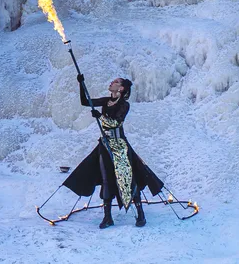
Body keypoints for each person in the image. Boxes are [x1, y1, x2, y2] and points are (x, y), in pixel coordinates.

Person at [62, 76, 164, 228]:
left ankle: (140, 214)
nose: (111, 83)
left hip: (120, 146)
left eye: (116, 82)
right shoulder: (105, 101)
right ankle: (107, 217)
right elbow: (86, 102)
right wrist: (81, 84)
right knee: (106, 179)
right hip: (105, 144)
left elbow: (116, 122)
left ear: (121, 89)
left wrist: (101, 116)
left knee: (127, 177)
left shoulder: (124, 105)